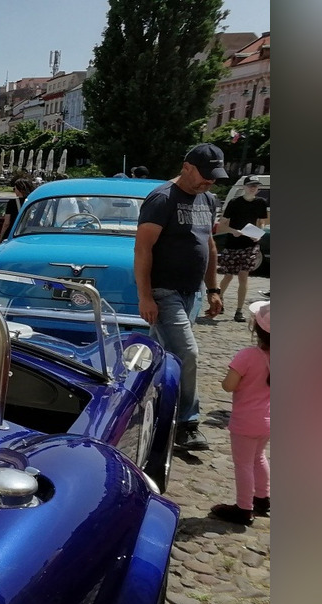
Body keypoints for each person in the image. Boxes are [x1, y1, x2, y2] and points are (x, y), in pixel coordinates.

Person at [134, 143, 226, 451]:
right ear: (186, 167)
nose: (209, 181)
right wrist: (145, 296)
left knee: (160, 354)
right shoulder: (162, 198)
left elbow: (208, 245)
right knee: (188, 354)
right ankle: (187, 423)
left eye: (214, 176)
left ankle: (143, 406)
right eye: (205, 174)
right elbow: (142, 249)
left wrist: (213, 289)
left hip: (191, 292)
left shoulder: (208, 199)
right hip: (164, 291)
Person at [209, 301, 270, 525]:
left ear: (255, 328)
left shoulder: (247, 355)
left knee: (243, 464)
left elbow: (229, 385)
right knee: (259, 457)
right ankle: (262, 498)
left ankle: (244, 508)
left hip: (246, 421)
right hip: (268, 420)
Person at [216, 176, 269, 322]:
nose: (253, 188)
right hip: (233, 244)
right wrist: (233, 231)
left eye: (255, 186)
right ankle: (219, 299)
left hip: (250, 244)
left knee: (243, 276)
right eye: (250, 185)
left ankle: (239, 311)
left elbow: (261, 222)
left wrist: (259, 233)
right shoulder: (234, 202)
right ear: (244, 187)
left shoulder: (261, 202)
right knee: (228, 275)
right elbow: (222, 224)